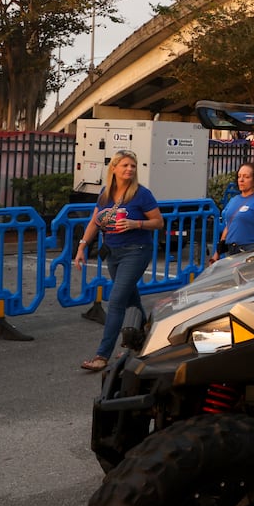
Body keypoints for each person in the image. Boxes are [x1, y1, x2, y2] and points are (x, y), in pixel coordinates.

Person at [73, 150, 163, 373]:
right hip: (112, 252)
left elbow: (158, 222)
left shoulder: (142, 194)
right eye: (125, 165)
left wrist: (136, 224)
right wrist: (82, 246)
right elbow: (95, 221)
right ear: (114, 168)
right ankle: (146, 340)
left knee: (116, 302)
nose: (129, 169)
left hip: (136, 251)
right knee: (131, 300)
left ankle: (102, 355)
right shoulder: (105, 193)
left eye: (133, 166)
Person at [215, 162, 254, 258]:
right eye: (239, 176)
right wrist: (217, 253)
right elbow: (229, 225)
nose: (241, 180)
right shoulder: (234, 200)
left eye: (246, 177)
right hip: (231, 250)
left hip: (249, 250)